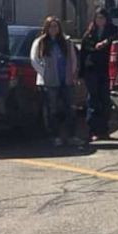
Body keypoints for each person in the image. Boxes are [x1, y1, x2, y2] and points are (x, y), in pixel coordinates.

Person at [30, 16, 82, 147]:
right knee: (52, 110)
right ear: (46, 28)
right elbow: (34, 60)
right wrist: (45, 73)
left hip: (66, 80)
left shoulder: (66, 42)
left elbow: (74, 59)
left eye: (56, 26)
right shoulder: (40, 42)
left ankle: (72, 136)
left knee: (70, 108)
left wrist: (73, 73)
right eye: (51, 26)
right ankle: (55, 136)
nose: (54, 29)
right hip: (49, 82)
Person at [79, 8, 118, 141]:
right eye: (97, 18)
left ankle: (104, 130)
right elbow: (83, 54)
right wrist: (80, 73)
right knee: (93, 101)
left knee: (105, 101)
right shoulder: (89, 34)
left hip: (106, 70)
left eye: (102, 17)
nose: (100, 20)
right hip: (92, 71)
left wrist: (106, 42)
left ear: (107, 18)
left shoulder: (113, 31)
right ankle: (93, 131)